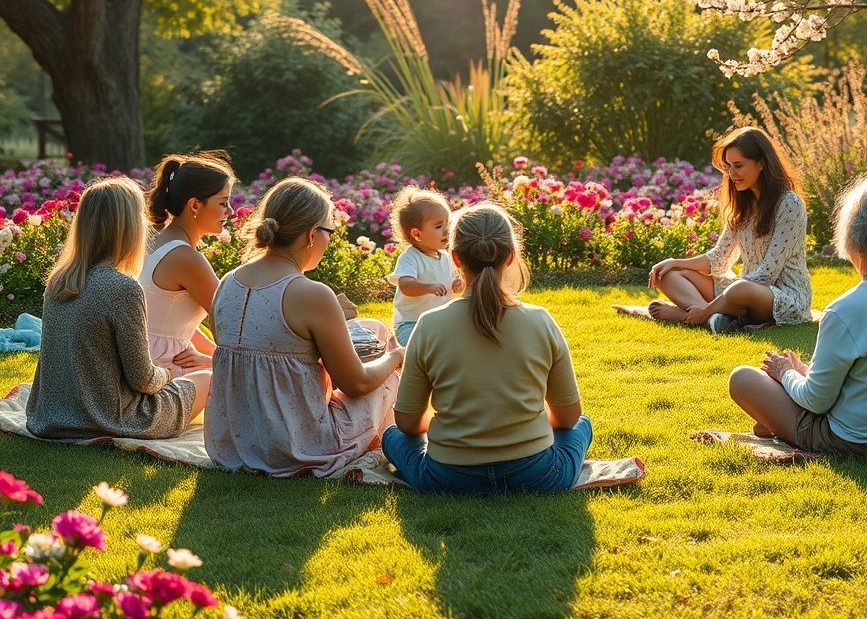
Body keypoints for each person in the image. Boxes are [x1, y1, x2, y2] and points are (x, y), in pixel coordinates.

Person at [382, 202, 593, 494]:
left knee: (391, 436)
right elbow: (568, 418)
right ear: (509, 257)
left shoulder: (428, 325)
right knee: (582, 425)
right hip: (538, 475)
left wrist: (460, 427)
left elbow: (406, 423)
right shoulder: (540, 320)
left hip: (448, 478)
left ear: (455, 258)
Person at [728, 175, 867, 456]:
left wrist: (785, 374)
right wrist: (805, 372)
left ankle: (776, 421)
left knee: (742, 378)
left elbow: (816, 401)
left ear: (853, 237)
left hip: (861, 442)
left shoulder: (845, 309)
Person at [205, 177, 404, 477]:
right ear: (312, 235)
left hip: (233, 445)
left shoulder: (227, 283)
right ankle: (391, 444)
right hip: (299, 447)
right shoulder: (310, 294)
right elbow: (356, 384)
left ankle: (378, 440)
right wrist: (396, 357)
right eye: (330, 232)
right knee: (388, 368)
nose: (329, 240)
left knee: (373, 328)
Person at [27, 178, 205, 440]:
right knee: (207, 378)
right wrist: (168, 373)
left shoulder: (59, 282)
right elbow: (142, 380)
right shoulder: (123, 288)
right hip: (113, 420)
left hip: (51, 417)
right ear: (131, 228)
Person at [644, 126, 812, 331]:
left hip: (783, 297)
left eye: (738, 166)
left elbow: (767, 275)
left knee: (739, 288)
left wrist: (713, 304)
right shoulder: (743, 204)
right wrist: (674, 262)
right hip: (742, 291)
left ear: (761, 163)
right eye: (728, 167)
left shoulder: (789, 204)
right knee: (665, 274)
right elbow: (719, 259)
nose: (731, 174)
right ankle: (714, 320)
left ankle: (702, 315)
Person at [142, 152, 235, 393]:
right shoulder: (184, 258)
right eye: (223, 203)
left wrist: (210, 357)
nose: (231, 211)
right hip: (160, 372)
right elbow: (232, 323)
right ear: (195, 205)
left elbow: (171, 325)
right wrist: (213, 362)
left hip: (146, 359)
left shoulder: (155, 239)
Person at [386, 187, 464, 347]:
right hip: (411, 324)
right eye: (438, 226)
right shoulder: (410, 258)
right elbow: (406, 286)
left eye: (447, 224)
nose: (447, 230)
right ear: (417, 234)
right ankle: (398, 354)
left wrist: (455, 283)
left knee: (457, 342)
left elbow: (447, 280)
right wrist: (429, 287)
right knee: (420, 348)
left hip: (440, 322)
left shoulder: (445, 257)